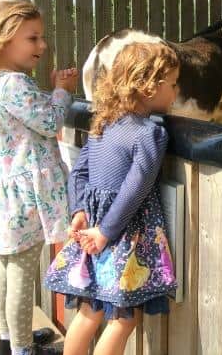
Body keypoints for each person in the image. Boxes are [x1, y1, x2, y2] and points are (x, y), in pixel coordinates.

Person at [0, 0, 78, 355]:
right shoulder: (14, 83)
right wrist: (62, 93)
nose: (42, 45)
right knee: (21, 275)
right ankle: (23, 350)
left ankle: (8, 341)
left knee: (7, 270)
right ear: (2, 39)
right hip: (25, 198)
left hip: (9, 195)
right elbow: (48, 121)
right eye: (33, 38)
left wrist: (50, 90)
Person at [44, 42, 180, 355]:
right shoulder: (150, 134)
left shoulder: (103, 124)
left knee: (90, 309)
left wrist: (79, 210)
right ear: (149, 87)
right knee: (123, 318)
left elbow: (78, 173)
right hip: (119, 233)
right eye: (172, 84)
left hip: (92, 228)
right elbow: (136, 187)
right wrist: (105, 232)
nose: (176, 92)